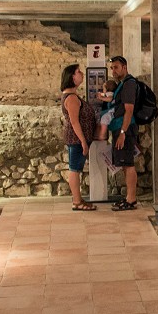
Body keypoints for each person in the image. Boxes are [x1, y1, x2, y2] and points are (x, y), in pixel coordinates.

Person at [59, 63, 100, 211]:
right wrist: (83, 141)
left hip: (78, 138)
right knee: (74, 168)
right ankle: (77, 201)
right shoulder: (71, 98)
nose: (81, 74)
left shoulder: (72, 96)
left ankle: (78, 199)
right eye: (78, 72)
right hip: (76, 139)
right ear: (71, 77)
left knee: (76, 167)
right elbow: (75, 122)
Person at [106, 55, 139, 210]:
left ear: (124, 67)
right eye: (112, 68)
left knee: (128, 164)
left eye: (116, 67)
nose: (113, 71)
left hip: (125, 129)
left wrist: (122, 132)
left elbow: (129, 110)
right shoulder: (122, 84)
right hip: (121, 128)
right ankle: (129, 198)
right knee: (125, 164)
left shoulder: (129, 84)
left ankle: (131, 199)